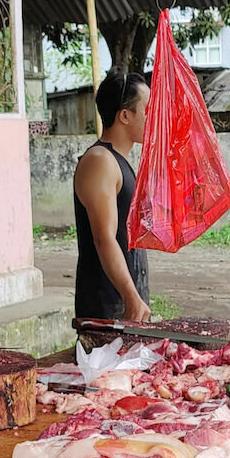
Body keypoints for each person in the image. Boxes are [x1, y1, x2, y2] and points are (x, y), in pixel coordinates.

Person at [73, 71, 152, 323]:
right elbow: (104, 237)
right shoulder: (100, 161)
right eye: (147, 110)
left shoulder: (119, 161)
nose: (152, 118)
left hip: (127, 302)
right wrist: (131, 297)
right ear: (125, 116)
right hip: (107, 307)